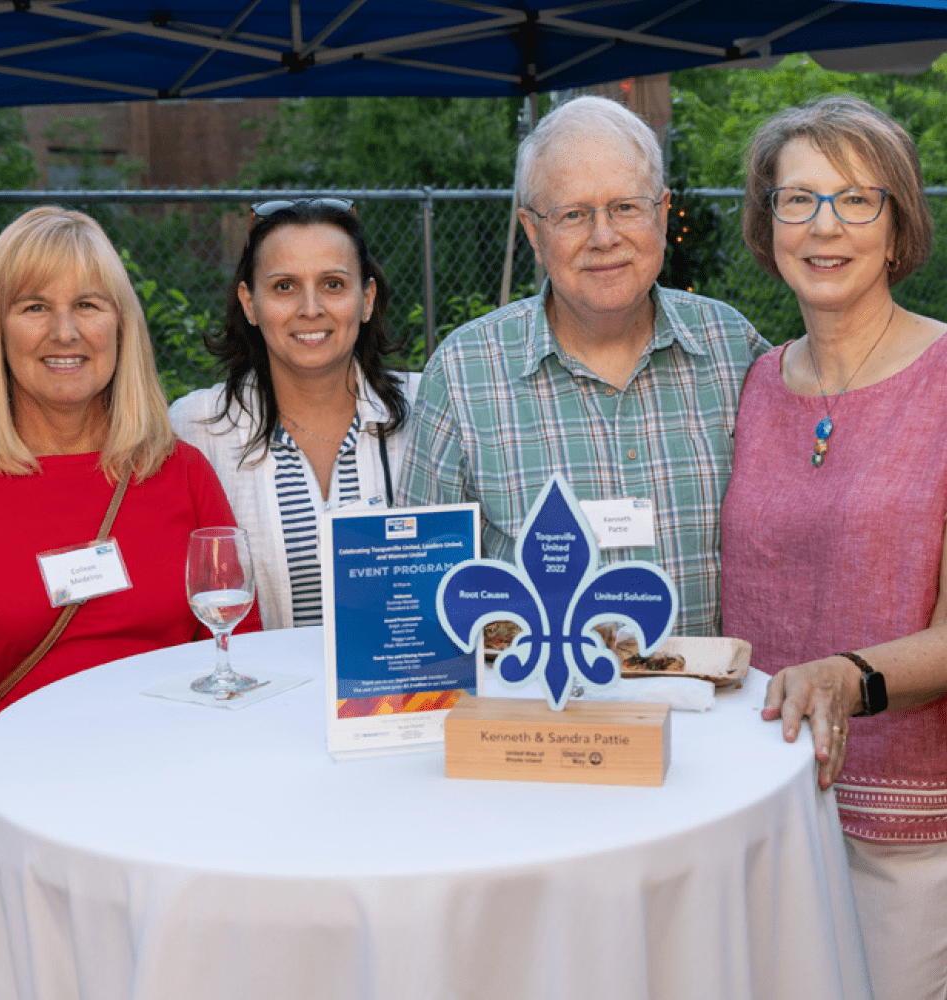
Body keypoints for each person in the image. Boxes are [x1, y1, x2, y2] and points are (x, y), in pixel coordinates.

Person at [0, 206, 260, 894]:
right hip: (11, 824)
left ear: (120, 324)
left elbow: (237, 650)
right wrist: (10, 799)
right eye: (34, 306)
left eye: (88, 305)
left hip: (176, 813)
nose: (65, 332)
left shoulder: (177, 471)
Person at [720, 95, 947, 1000]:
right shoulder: (755, 385)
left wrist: (846, 676)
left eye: (856, 200)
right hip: (758, 808)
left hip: (905, 832)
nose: (824, 226)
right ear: (766, 222)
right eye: (797, 198)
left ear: (897, 227)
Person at [398, 95, 769, 636]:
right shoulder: (463, 374)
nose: (603, 236)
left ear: (662, 214)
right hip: (544, 710)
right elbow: (422, 577)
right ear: (532, 231)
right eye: (573, 214)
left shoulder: (735, 351)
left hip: (714, 705)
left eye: (625, 207)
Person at [171, 199, 420, 630]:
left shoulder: (429, 411)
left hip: (402, 695)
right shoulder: (195, 429)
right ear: (249, 303)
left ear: (367, 298)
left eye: (334, 284)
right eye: (284, 286)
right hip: (259, 696)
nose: (310, 308)